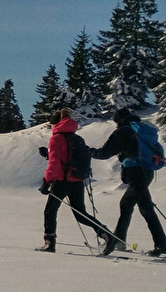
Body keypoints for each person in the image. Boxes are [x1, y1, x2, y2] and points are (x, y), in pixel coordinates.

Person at [89, 107, 166, 256]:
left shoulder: (123, 132)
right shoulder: (140, 130)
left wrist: (91, 152)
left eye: (115, 121)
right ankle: (161, 244)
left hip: (136, 173)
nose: (115, 125)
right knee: (141, 208)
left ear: (119, 120)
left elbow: (105, 153)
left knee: (130, 205)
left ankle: (116, 241)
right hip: (147, 172)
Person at [37, 108, 116, 252]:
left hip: (62, 181)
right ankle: (107, 235)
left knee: (50, 211)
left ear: (55, 124)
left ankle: (49, 243)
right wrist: (48, 153)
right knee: (80, 213)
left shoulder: (56, 138)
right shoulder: (77, 138)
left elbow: (55, 163)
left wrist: (46, 182)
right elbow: (66, 157)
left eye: (51, 125)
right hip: (77, 180)